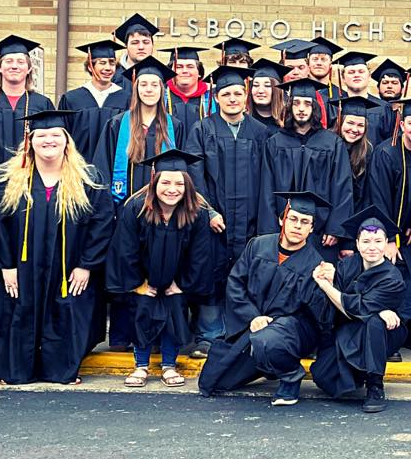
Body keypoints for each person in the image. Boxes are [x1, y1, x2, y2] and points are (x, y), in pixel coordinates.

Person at [0, 109, 113, 385]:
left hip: (69, 266)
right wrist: (6, 265)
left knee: (65, 308)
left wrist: (86, 265)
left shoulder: (88, 178)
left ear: (66, 141)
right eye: (41, 135)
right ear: (30, 140)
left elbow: (101, 224)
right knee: (18, 308)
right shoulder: (8, 179)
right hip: (20, 266)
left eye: (55, 135)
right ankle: (16, 369)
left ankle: (61, 369)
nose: (48, 140)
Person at [197, 191, 330, 406]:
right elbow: (235, 284)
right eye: (293, 218)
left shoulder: (315, 263)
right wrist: (253, 317)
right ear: (282, 219)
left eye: (305, 222)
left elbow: (315, 315)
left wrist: (325, 284)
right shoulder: (258, 246)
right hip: (254, 325)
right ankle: (268, 362)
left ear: (312, 228)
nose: (297, 226)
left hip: (289, 331)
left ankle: (290, 375)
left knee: (267, 339)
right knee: (214, 381)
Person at [108, 149, 214, 388]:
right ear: (154, 181)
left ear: (188, 185)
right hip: (144, 276)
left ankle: (169, 365)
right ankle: (141, 365)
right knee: (143, 307)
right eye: (165, 182)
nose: (172, 189)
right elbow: (125, 250)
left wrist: (182, 284)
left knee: (174, 307)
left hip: (176, 278)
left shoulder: (197, 213)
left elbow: (200, 255)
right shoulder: (135, 208)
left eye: (179, 183)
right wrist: (139, 284)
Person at [184, 65, 269, 359]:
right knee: (213, 273)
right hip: (214, 219)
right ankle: (208, 335)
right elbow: (193, 174)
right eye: (226, 94)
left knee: (245, 275)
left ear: (245, 97)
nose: (233, 98)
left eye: (237, 93)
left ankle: (241, 333)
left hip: (250, 218)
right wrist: (209, 212)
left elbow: (267, 178)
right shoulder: (202, 129)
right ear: (216, 98)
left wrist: (262, 217)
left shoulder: (260, 131)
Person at [310, 206, 409, 413]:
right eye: (365, 241)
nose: (372, 247)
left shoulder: (393, 277)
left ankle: (375, 384)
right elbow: (339, 306)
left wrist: (325, 286)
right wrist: (329, 277)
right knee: (323, 376)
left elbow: (353, 308)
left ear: (385, 244)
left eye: (378, 241)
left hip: (384, 334)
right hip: (349, 329)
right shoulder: (347, 265)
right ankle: (359, 374)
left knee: (374, 321)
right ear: (356, 244)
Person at [365, 98, 411, 355]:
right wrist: (387, 238)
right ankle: (391, 336)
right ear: (402, 124)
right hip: (392, 234)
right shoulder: (386, 153)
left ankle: (407, 329)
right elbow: (379, 197)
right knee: (396, 281)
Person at [260, 78, 354, 261]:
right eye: (296, 103)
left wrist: (335, 228)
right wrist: (269, 232)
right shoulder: (275, 142)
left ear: (315, 108)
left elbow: (342, 187)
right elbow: (266, 189)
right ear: (289, 107)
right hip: (284, 231)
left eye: (307, 103)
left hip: (322, 233)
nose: (301, 108)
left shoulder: (332, 143)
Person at [95, 56, 195, 204]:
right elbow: (103, 168)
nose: (149, 90)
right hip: (122, 207)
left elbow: (182, 169)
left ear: (162, 89)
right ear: (136, 89)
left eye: (155, 85)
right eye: (143, 84)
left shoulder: (174, 126)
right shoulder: (116, 124)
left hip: (163, 209)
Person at [0, 35, 56, 181]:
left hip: (31, 178)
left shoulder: (42, 104)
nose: (14, 66)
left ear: (29, 68)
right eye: (8, 61)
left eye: (20, 62)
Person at [58, 40, 129, 160]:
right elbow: (63, 137)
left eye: (112, 63)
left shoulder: (126, 98)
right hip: (79, 167)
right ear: (90, 66)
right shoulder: (72, 99)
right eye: (102, 63)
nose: (108, 68)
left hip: (115, 168)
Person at [332, 96, 381, 212]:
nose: (354, 129)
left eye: (360, 125)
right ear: (340, 121)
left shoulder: (367, 151)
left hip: (354, 210)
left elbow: (365, 193)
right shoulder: (327, 146)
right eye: (350, 123)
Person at [334, 51, 393, 146]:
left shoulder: (383, 108)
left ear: (369, 76)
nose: (356, 75)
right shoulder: (333, 106)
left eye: (361, 72)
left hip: (374, 160)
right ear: (343, 78)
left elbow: (389, 141)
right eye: (351, 72)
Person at [111, 14, 159, 87]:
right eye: (135, 43)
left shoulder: (160, 75)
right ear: (126, 46)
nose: (141, 47)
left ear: (152, 45)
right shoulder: (112, 77)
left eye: (146, 42)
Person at [248, 58, 290, 131]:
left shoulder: (288, 120)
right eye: (256, 85)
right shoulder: (243, 121)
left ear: (277, 90)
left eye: (267, 86)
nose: (260, 90)